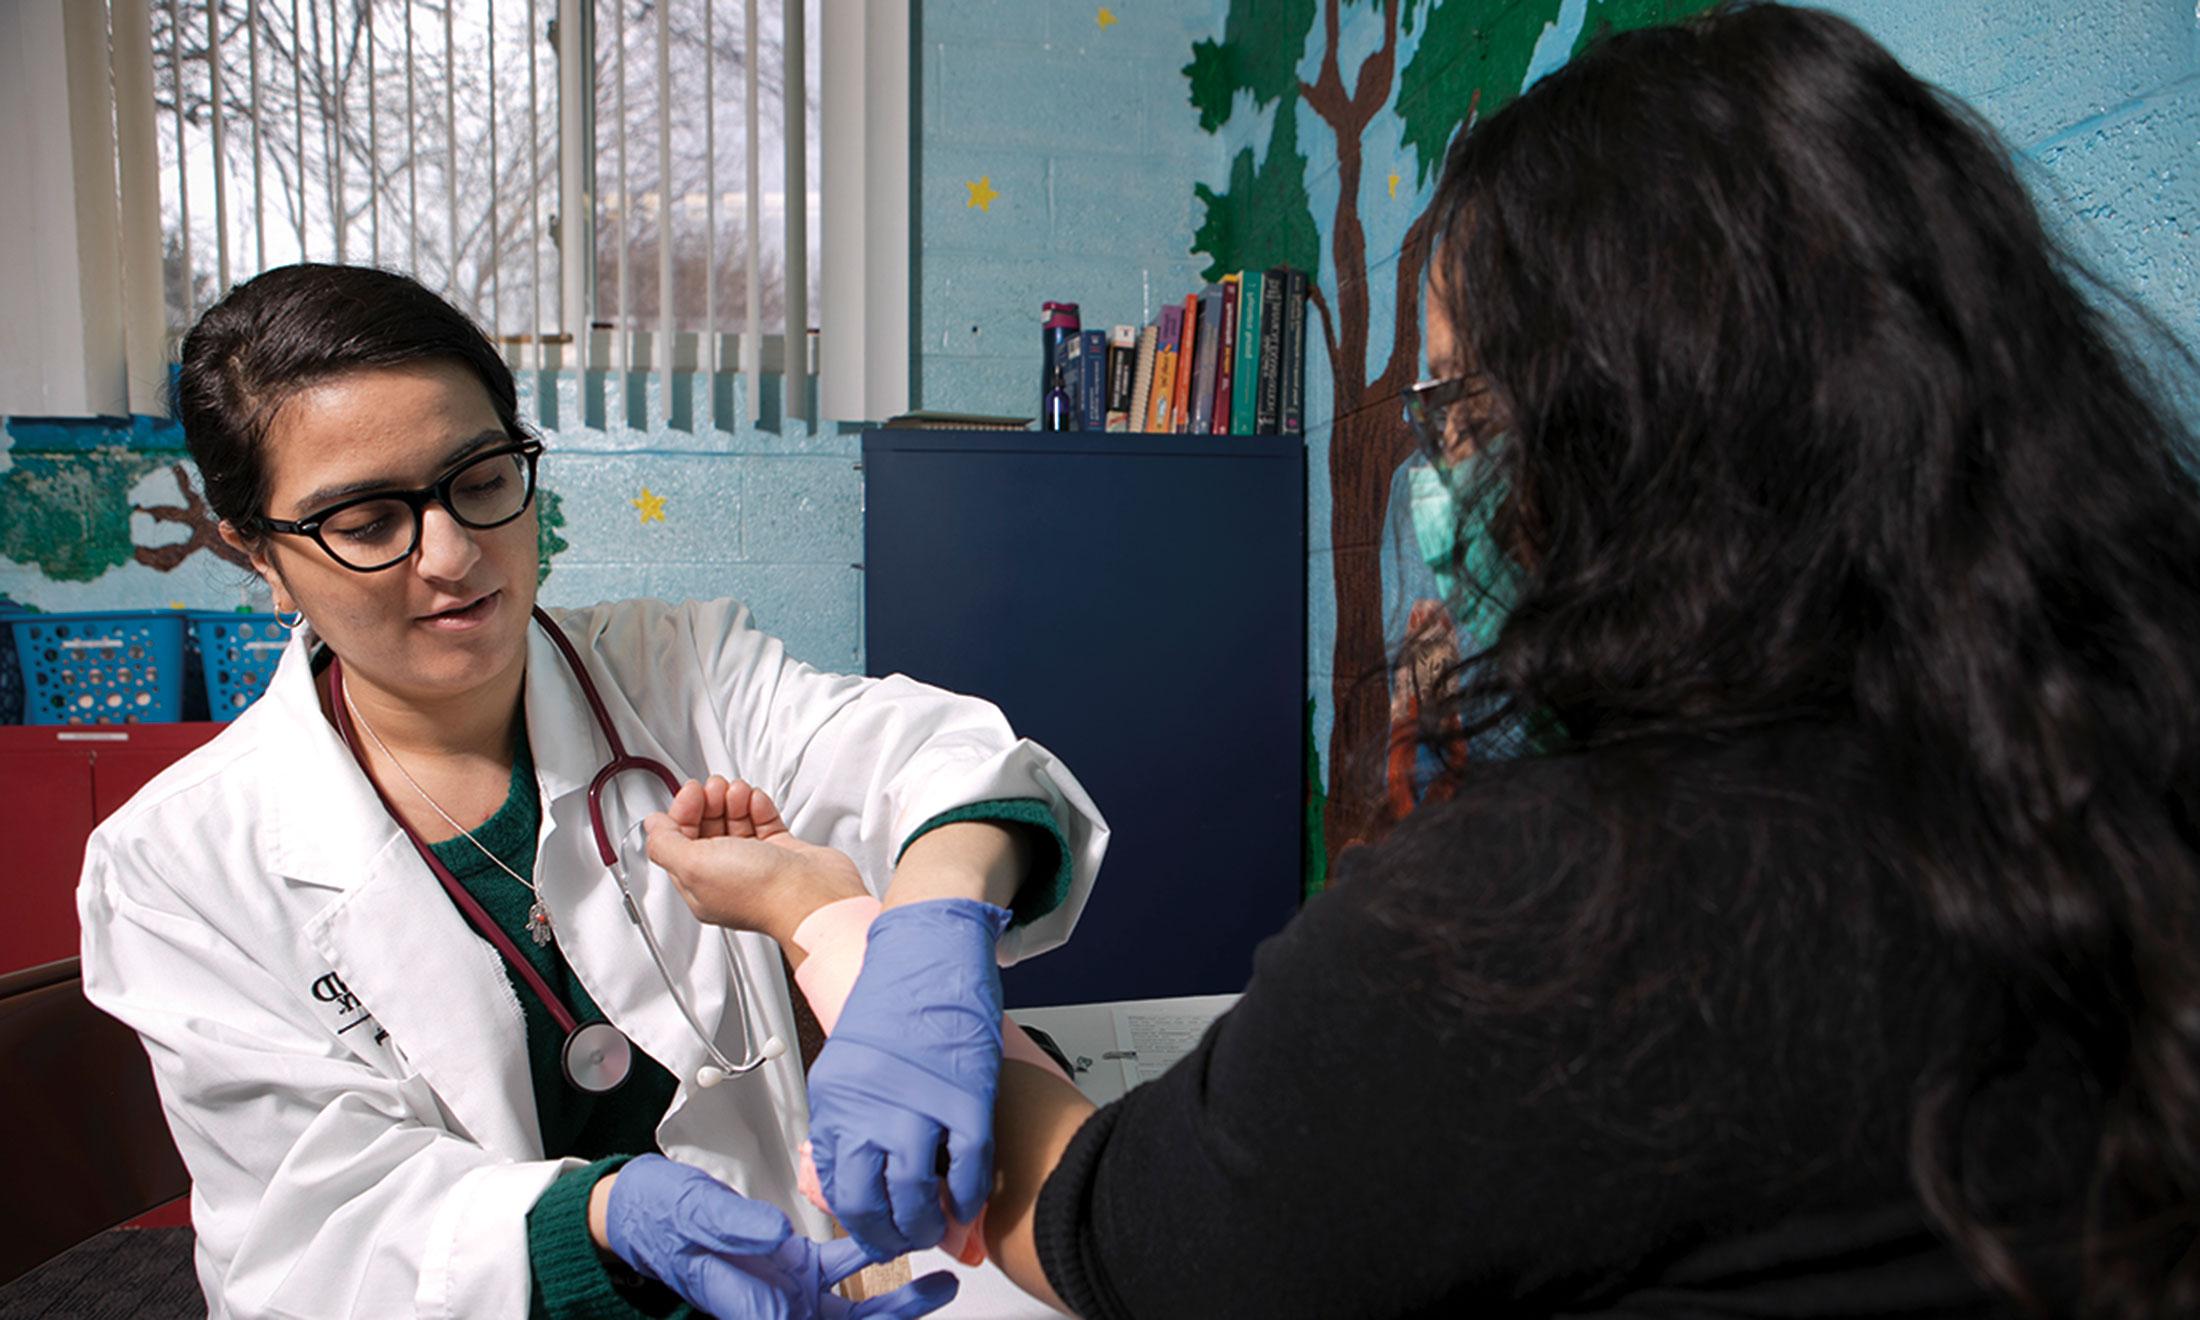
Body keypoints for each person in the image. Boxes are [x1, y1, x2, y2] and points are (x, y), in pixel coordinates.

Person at [654, 5, 2200, 1315]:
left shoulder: (1560, 919)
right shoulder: (2123, 760)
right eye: (393, 511)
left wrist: (853, 926)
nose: (1434, 478)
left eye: (1454, 410)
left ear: (1618, 432)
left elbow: (1114, 1225)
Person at [76, 262, 1109, 1319]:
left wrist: (931, 931)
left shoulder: (683, 674)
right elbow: (316, 1223)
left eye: (479, 478)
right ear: (259, 553)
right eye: (368, 521)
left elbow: (944, 762)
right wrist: (600, 1223)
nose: (452, 553)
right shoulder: (178, 863)